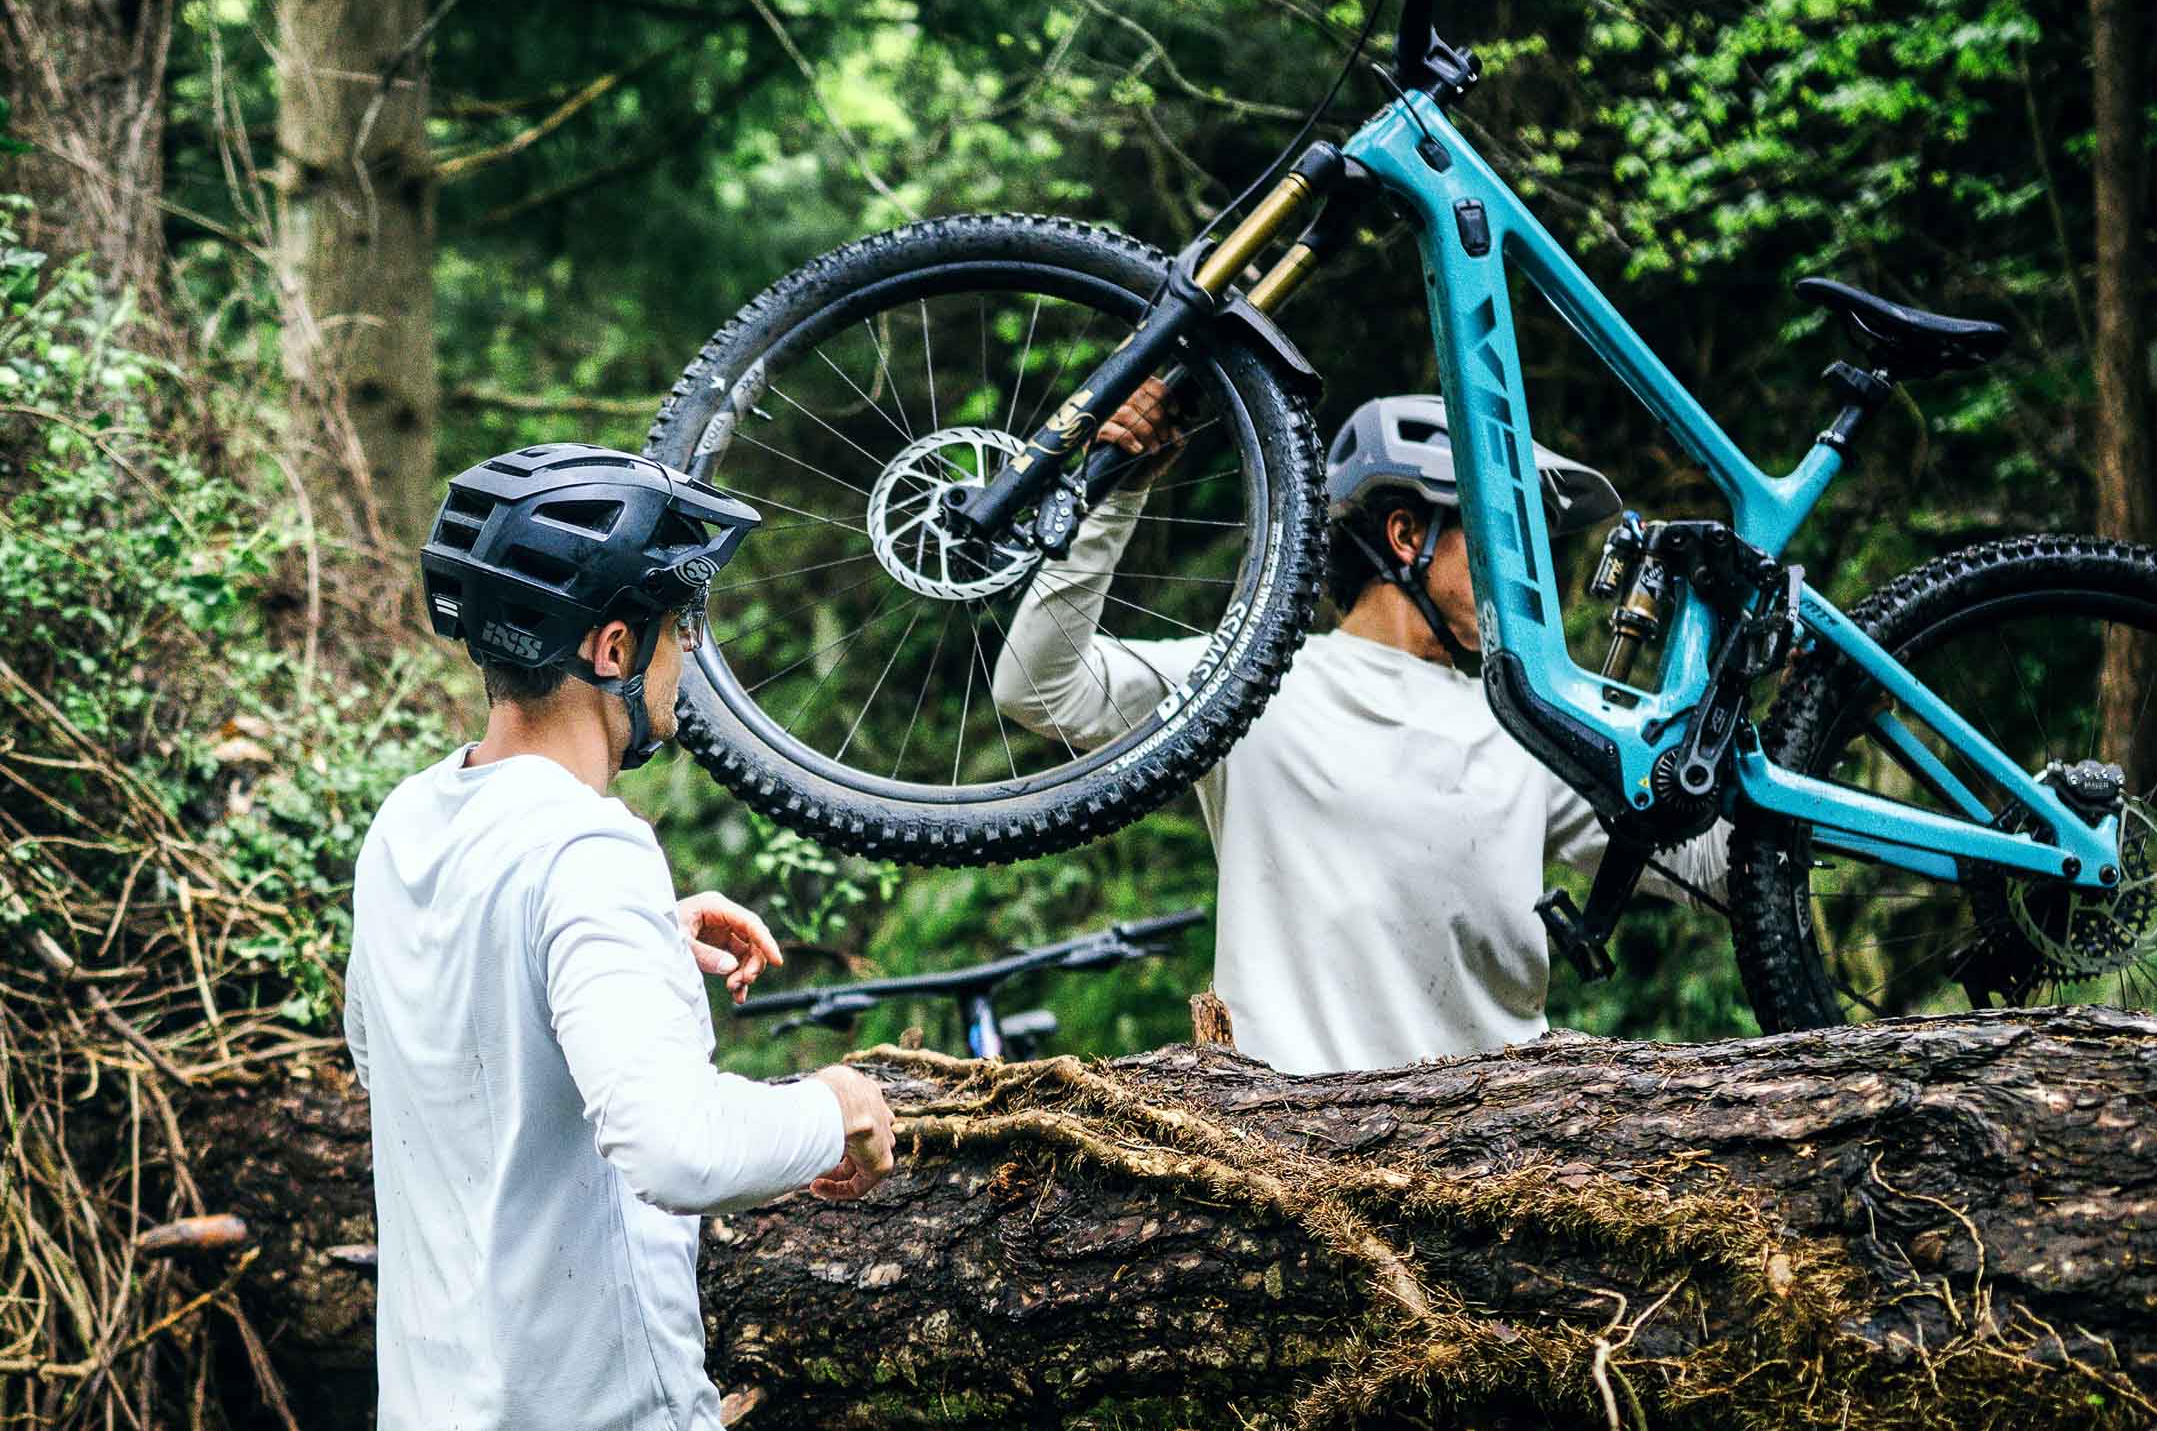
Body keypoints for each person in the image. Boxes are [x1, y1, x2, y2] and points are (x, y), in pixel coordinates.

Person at [345, 443, 897, 1431]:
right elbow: (675, 1149)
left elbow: (400, 1052)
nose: (685, 656)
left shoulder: (408, 823)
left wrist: (627, 949)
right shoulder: (587, 850)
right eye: (679, 628)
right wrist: (837, 1104)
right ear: (611, 650)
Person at [994, 391, 1729, 1075]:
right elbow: (1040, 688)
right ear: (1407, 535)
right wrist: (1117, 492)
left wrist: (1759, 711)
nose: (1524, 573)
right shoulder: (1256, 681)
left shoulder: (1525, 724)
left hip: (1499, 1144)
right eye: (1500, 538)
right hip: (1286, 1139)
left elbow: (1710, 867)